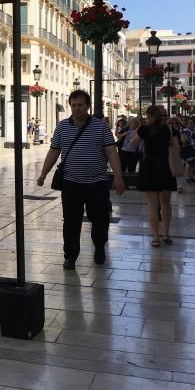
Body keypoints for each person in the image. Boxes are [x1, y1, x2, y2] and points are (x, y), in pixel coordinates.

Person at [36, 90, 125, 270]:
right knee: (70, 221)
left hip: (97, 183)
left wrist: (118, 177)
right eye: (74, 105)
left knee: (100, 219)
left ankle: (99, 246)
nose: (77, 109)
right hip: (71, 183)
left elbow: (111, 152)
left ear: (88, 106)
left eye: (80, 105)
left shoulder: (101, 127)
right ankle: (70, 256)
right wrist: (43, 173)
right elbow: (54, 151)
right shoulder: (62, 127)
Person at [131, 105, 177, 247]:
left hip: (149, 166)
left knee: (152, 204)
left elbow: (133, 143)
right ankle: (166, 234)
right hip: (165, 166)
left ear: (149, 116)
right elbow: (176, 145)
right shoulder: (168, 129)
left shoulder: (144, 129)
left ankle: (156, 237)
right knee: (166, 203)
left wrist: (141, 127)